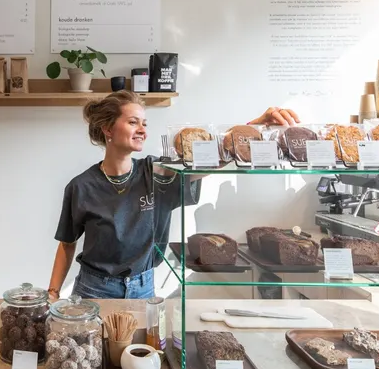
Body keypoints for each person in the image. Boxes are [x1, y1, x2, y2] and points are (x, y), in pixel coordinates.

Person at [48, 90, 299, 300]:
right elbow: (67, 244)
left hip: (143, 289)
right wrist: (53, 294)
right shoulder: (81, 186)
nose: (142, 130)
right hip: (94, 291)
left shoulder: (157, 172)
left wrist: (255, 126)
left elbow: (212, 159)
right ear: (108, 129)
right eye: (133, 122)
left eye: (144, 124)